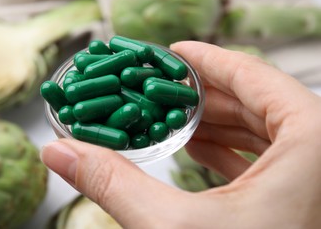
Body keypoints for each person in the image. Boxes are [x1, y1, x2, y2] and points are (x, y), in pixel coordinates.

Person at [41, 41, 321, 228]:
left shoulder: (125, 83)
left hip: (144, 118)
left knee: (125, 92)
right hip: (132, 113)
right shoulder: (118, 79)